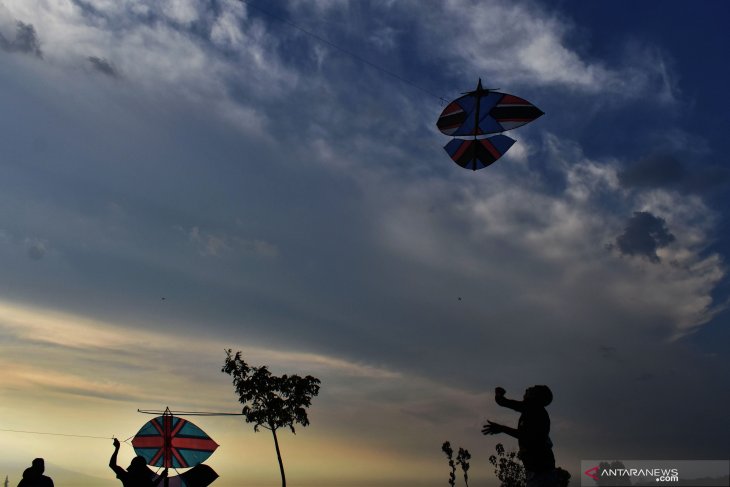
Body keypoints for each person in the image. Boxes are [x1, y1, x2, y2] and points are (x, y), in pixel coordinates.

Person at [482, 385, 557, 487]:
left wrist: (502, 428)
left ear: (535, 397)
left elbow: (525, 436)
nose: (527, 389)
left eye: (532, 389)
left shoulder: (534, 408)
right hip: (539, 471)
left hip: (540, 472)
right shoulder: (534, 411)